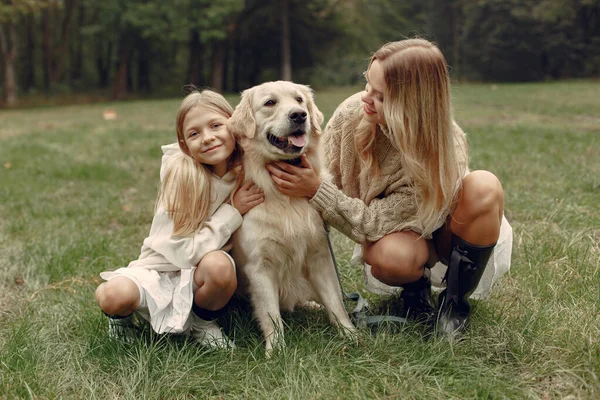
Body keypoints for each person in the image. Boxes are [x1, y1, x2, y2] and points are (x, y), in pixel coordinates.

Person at [266, 38, 512, 337]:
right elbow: (322, 173)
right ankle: (414, 292)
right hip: (402, 236)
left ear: (413, 102)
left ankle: (453, 307)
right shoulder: (352, 114)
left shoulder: (447, 145)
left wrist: (317, 190)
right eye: (368, 85)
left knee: (484, 185)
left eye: (380, 95)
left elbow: (367, 219)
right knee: (393, 257)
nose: (365, 98)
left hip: (451, 233)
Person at [95, 89, 264, 348]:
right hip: (161, 270)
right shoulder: (183, 177)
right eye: (194, 133)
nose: (207, 138)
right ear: (184, 145)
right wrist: (233, 211)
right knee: (113, 295)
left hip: (201, 274)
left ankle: (201, 321)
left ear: (234, 127)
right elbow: (184, 253)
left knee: (219, 267)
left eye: (216, 125)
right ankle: (120, 319)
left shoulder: (244, 171)